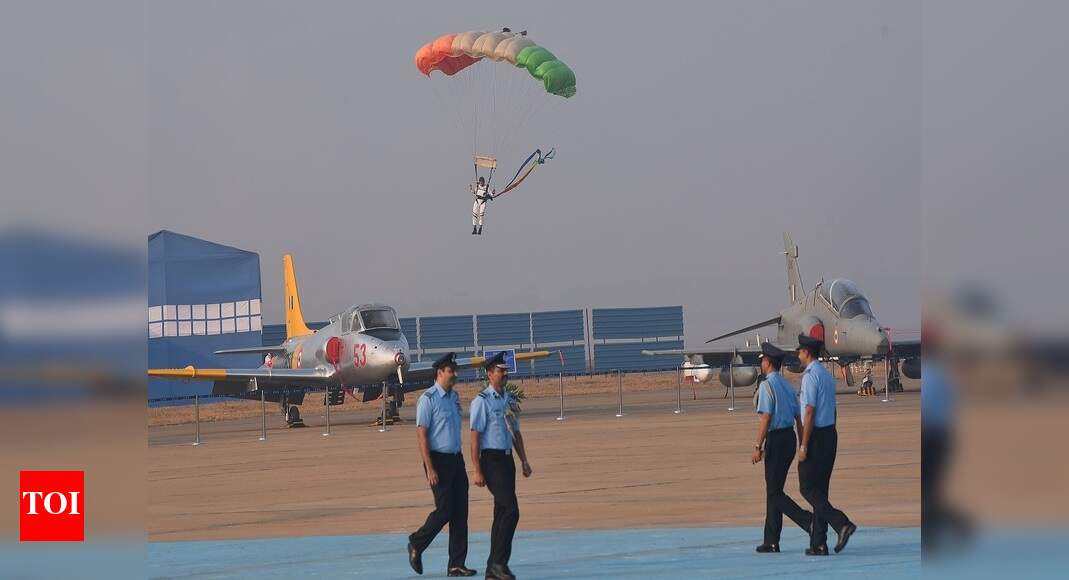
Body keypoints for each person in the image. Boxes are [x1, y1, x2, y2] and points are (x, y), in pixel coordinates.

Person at [408, 353, 477, 577]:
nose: (455, 375)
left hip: (456, 460)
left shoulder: (453, 398)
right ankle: (417, 542)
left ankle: (456, 564)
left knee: (460, 513)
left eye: (455, 371)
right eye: (451, 371)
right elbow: (422, 436)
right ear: (440, 373)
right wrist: (429, 468)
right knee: (445, 510)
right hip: (437, 461)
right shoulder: (427, 399)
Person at [470, 352, 532, 580]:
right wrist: (476, 469)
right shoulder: (481, 401)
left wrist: (524, 460)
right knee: (511, 511)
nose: (504, 374)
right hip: (491, 460)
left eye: (506, 370)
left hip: (507, 461)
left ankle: (492, 568)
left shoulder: (510, 400)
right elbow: (474, 437)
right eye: (500, 370)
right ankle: (499, 563)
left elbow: (515, 432)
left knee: (501, 513)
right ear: (489, 374)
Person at [796, 334, 857, 556]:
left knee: (807, 487)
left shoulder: (810, 376)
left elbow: (809, 412)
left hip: (817, 435)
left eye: (800, 351)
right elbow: (833, 409)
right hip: (829, 433)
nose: (798, 354)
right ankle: (819, 543)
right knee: (820, 490)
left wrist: (804, 445)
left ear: (807, 352)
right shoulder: (826, 375)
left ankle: (841, 523)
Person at [752, 342, 813, 553]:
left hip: (776, 440)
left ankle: (808, 521)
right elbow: (798, 418)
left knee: (775, 492)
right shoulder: (788, 385)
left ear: (768, 363)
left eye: (762, 361)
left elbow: (766, 417)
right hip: (789, 440)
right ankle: (771, 540)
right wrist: (802, 444)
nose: (761, 363)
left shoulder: (766, 385)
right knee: (774, 490)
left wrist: (757, 446)